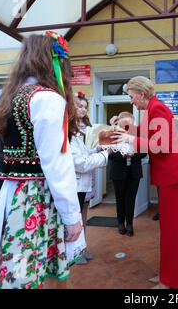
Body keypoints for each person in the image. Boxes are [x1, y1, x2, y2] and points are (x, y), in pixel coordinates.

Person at [0, 32, 83, 289]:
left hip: (12, 193)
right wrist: (72, 216)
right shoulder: (48, 99)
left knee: (14, 264)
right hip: (36, 199)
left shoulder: (13, 96)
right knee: (32, 270)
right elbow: (56, 166)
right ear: (54, 62)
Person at [112, 76, 178, 289]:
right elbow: (144, 133)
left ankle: (171, 280)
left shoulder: (158, 109)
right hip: (169, 175)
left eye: (131, 97)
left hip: (173, 175)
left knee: (172, 231)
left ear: (141, 94)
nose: (131, 101)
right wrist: (124, 128)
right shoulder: (151, 109)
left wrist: (129, 139)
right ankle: (167, 274)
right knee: (167, 229)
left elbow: (161, 145)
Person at [70, 92, 109, 264]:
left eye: (85, 107)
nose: (83, 109)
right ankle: (75, 252)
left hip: (86, 178)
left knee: (83, 214)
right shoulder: (69, 129)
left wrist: (98, 149)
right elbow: (79, 161)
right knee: (75, 218)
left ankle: (81, 247)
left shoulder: (86, 128)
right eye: (80, 106)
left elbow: (85, 153)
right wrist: (105, 154)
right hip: (76, 180)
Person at [109, 111, 147, 237]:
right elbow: (109, 153)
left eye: (130, 123)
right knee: (120, 199)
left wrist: (132, 155)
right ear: (120, 122)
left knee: (131, 199)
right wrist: (122, 156)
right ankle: (120, 223)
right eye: (125, 123)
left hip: (134, 172)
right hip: (118, 171)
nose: (127, 126)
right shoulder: (113, 134)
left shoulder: (138, 135)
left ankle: (129, 224)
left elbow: (144, 152)